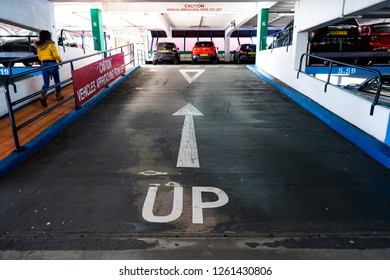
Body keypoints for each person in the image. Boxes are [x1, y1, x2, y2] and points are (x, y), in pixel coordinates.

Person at [33, 30, 63, 107]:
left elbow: (39, 57)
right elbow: (55, 55)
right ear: (48, 36)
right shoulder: (51, 44)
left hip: (43, 64)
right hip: (52, 63)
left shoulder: (39, 45)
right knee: (57, 80)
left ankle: (43, 96)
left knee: (46, 83)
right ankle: (58, 95)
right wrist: (60, 61)